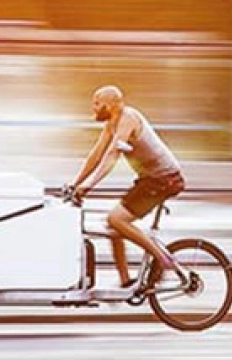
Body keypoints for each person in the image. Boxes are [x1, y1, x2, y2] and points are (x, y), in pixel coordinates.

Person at [69, 85, 187, 291]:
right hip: (149, 179)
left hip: (164, 179)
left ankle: (163, 259)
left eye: (97, 103)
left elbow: (111, 156)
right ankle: (125, 281)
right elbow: (95, 156)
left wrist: (89, 185)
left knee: (116, 219)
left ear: (111, 104)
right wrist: (76, 183)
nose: (93, 107)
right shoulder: (111, 125)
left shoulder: (128, 119)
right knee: (114, 227)